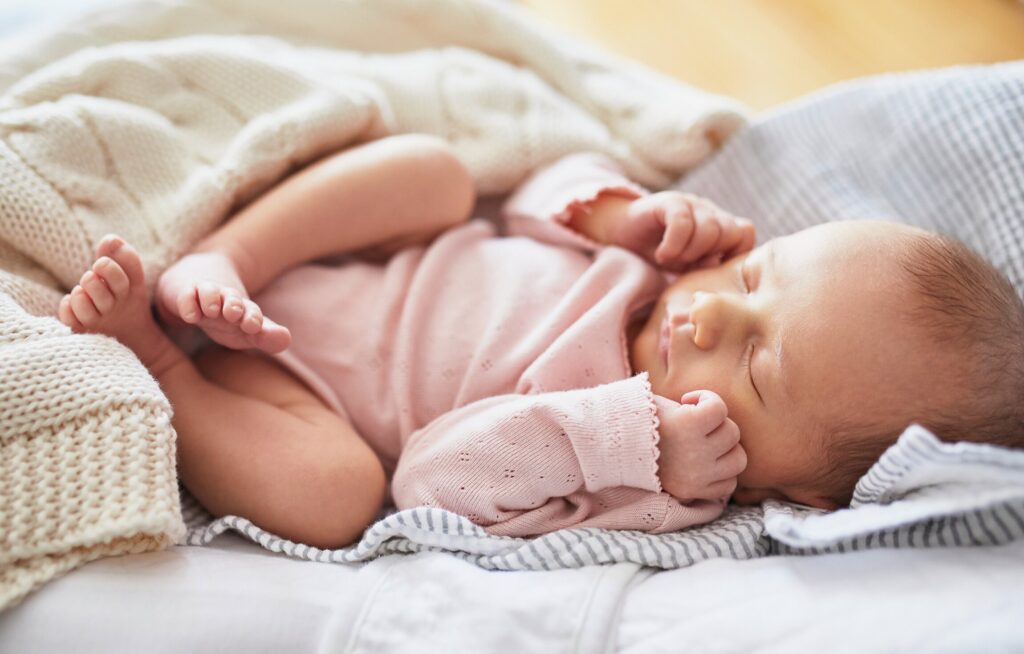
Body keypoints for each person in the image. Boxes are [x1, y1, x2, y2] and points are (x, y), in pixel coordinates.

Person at [56, 134, 1024, 548]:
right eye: (754, 276)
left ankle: (164, 359)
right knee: (435, 173)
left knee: (336, 496)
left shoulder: (652, 492)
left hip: (307, 401)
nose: (714, 314)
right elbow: (519, 202)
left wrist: (626, 436)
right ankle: (227, 255)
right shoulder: (654, 264)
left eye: (758, 367)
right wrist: (617, 216)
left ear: (795, 488)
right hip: (360, 267)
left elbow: (426, 480)